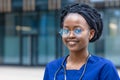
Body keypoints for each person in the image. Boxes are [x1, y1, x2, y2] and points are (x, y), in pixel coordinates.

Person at [43, 3, 120, 80]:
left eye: (77, 30)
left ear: (91, 34)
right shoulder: (52, 68)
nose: (71, 35)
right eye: (66, 30)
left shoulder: (104, 68)